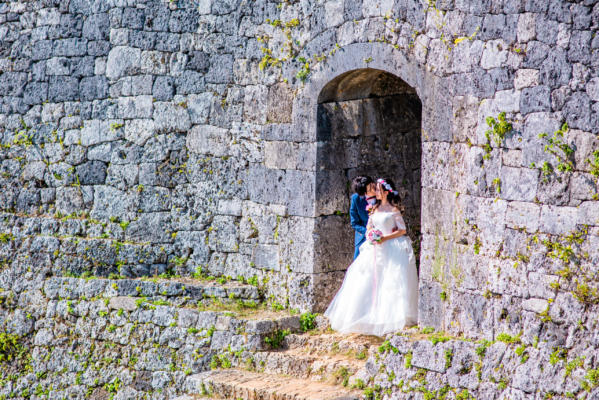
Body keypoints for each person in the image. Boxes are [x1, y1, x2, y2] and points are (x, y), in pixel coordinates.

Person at [324, 178, 419, 336]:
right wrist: (371, 235)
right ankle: (365, 313)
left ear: (386, 192)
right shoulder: (374, 208)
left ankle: (389, 316)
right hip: (374, 247)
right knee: (366, 277)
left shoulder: (394, 209)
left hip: (391, 246)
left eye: (379, 190)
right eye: (375, 189)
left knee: (390, 280)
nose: (376, 192)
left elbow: (402, 230)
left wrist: (384, 238)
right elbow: (369, 226)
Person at [349, 176, 377, 259]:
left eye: (373, 186)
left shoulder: (382, 194)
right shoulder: (356, 199)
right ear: (364, 193)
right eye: (370, 190)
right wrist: (368, 232)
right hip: (364, 234)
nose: (374, 190)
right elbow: (354, 223)